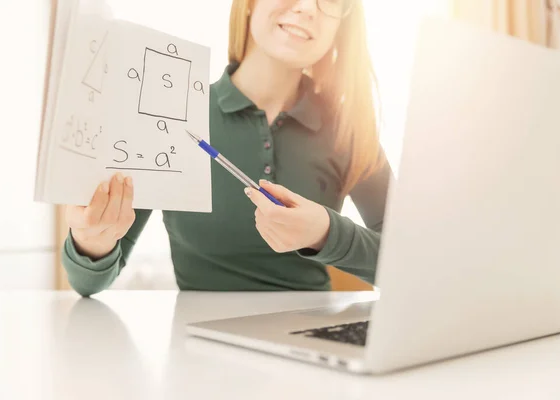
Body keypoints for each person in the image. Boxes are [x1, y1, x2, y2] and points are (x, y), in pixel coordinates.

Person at [63, 0, 391, 296]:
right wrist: (91, 242)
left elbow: (411, 263)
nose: (307, 7)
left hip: (313, 345)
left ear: (342, 26)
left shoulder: (349, 130)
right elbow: (87, 283)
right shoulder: (174, 117)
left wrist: (327, 233)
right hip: (197, 350)